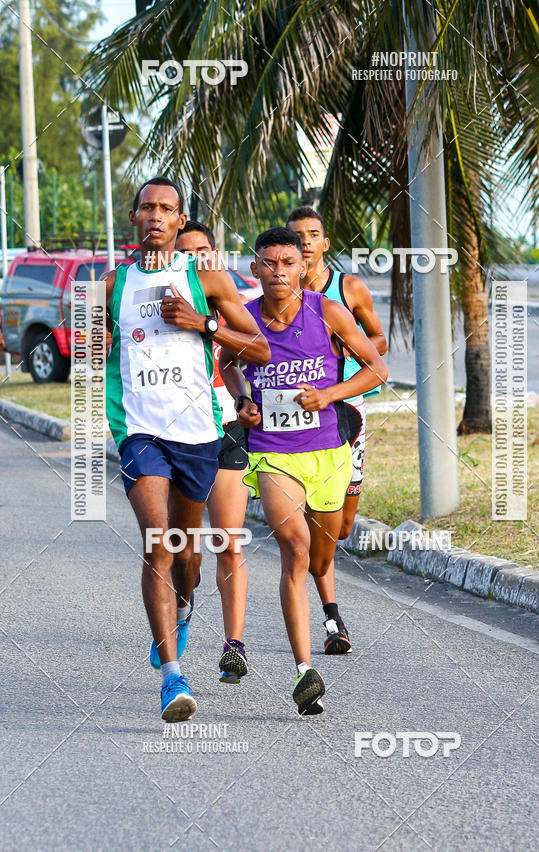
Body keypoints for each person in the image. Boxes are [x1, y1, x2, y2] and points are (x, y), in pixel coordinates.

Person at [102, 178, 269, 722]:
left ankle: (185, 606)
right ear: (134, 217)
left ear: (180, 222)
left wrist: (203, 324)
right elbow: (95, 349)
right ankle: (173, 678)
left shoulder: (207, 278)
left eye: (167, 209)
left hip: (198, 433)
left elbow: (259, 348)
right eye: (147, 207)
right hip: (139, 430)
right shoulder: (111, 285)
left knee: (187, 555)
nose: (155, 216)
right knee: (157, 542)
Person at [220, 227, 387, 715]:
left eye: (287, 263)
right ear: (255, 270)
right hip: (273, 454)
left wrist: (329, 394)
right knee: (294, 549)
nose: (278, 272)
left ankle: (328, 610)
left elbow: (376, 368)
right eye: (268, 263)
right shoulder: (243, 317)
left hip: (329, 451)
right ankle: (303, 671)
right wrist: (243, 398)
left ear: (302, 267)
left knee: (322, 552)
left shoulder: (327, 311)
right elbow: (227, 362)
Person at [286, 206, 388, 655]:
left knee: (341, 528)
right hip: (298, 422)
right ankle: (330, 616)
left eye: (313, 235)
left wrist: (343, 355)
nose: (306, 243)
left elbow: (378, 342)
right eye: (297, 237)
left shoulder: (348, 289)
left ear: (326, 243)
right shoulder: (274, 293)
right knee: (304, 530)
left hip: (348, 411)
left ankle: (318, 575)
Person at [175, 221, 249, 684]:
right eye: (188, 252)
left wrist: (244, 400)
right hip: (177, 433)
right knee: (185, 551)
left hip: (224, 429)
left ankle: (234, 647)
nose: (198, 259)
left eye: (204, 250)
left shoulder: (226, 300)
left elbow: (248, 356)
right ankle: (182, 607)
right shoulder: (162, 303)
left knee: (228, 540)